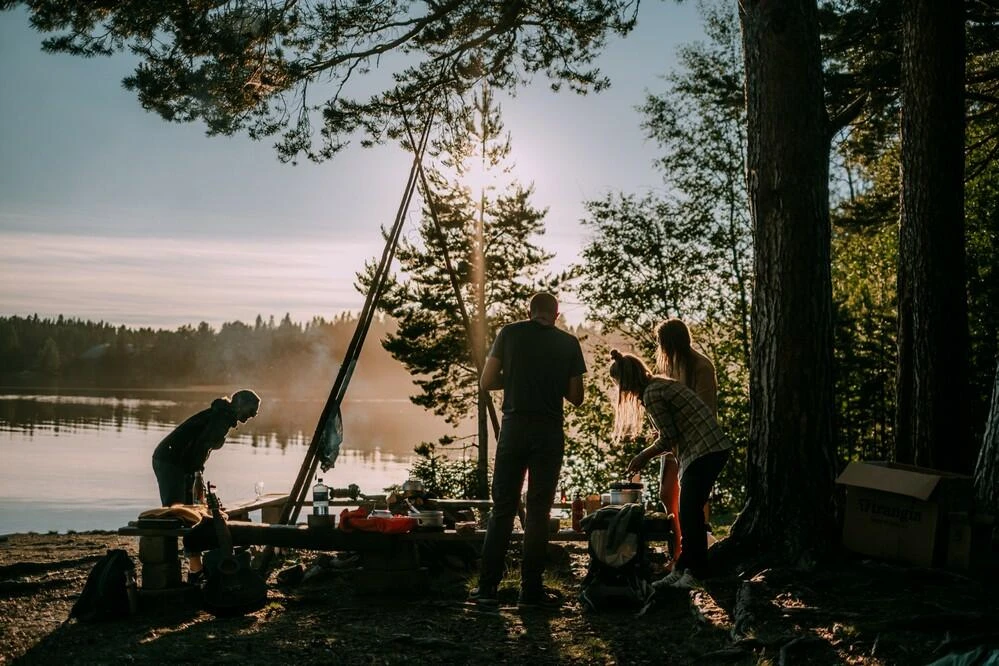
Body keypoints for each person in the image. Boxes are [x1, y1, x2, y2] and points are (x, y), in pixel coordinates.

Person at [471, 293, 586, 608]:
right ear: (556, 315)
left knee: (502, 509)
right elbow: (576, 396)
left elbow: (486, 381)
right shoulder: (568, 343)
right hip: (548, 434)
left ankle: (486, 589)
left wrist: (517, 378)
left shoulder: (509, 333)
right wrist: (553, 380)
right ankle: (530, 592)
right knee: (538, 512)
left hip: (514, 429)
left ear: (530, 312)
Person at [609, 350, 730, 590]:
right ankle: (683, 567)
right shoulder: (658, 385)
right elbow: (673, 432)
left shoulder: (653, 393)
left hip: (706, 450)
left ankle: (696, 572)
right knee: (688, 513)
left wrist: (643, 456)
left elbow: (669, 437)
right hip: (705, 449)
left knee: (689, 514)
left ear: (625, 382)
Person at [655, 318, 719, 560]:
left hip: (697, 443)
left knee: (693, 497)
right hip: (674, 441)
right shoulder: (671, 367)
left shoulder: (701, 366)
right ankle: (677, 548)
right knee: (666, 493)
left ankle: (694, 549)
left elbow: (705, 409)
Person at [152, 389, 261, 507]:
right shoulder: (221, 418)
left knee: (189, 503)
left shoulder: (223, 415)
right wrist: (197, 473)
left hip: (177, 459)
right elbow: (203, 446)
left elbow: (202, 446)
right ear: (240, 405)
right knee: (175, 507)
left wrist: (196, 474)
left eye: (254, 414)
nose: (252, 416)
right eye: (251, 411)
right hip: (170, 459)